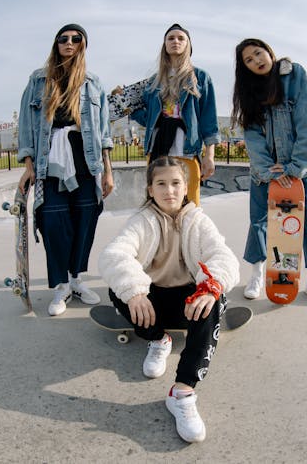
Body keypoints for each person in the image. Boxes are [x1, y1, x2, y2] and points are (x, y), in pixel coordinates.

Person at [98, 156, 239, 443]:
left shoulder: (198, 219)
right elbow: (114, 254)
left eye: (175, 183)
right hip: (153, 303)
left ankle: (182, 392)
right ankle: (158, 339)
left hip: (188, 303)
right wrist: (135, 292)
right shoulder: (142, 221)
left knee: (215, 294)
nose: (169, 191)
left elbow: (223, 257)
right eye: (161, 184)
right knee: (120, 289)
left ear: (185, 187)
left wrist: (210, 288)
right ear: (150, 189)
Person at [17, 23, 114, 316]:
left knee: (85, 219)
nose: (69, 43)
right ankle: (60, 286)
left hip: (85, 157)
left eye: (76, 39)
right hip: (51, 159)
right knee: (53, 221)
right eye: (63, 39)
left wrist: (108, 171)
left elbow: (104, 130)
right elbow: (25, 126)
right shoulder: (37, 80)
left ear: (83, 45)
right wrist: (28, 166)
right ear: (56, 43)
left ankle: (75, 279)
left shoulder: (93, 83)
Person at [232, 38, 307, 306]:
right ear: (245, 68)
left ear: (269, 51)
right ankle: (257, 275)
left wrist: (293, 167)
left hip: (301, 172)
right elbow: (252, 134)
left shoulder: (295, 76)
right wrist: (269, 169)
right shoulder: (250, 92)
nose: (257, 61)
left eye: (259, 53)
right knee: (260, 223)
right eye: (249, 60)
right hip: (265, 173)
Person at [127, 23, 220, 205]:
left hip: (187, 149)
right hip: (157, 150)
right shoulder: (154, 81)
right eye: (170, 38)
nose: (175, 41)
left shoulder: (200, 77)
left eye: (180, 38)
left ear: (188, 45)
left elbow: (208, 120)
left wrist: (209, 156)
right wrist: (129, 107)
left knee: (190, 205)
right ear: (164, 45)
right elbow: (150, 119)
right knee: (159, 205)